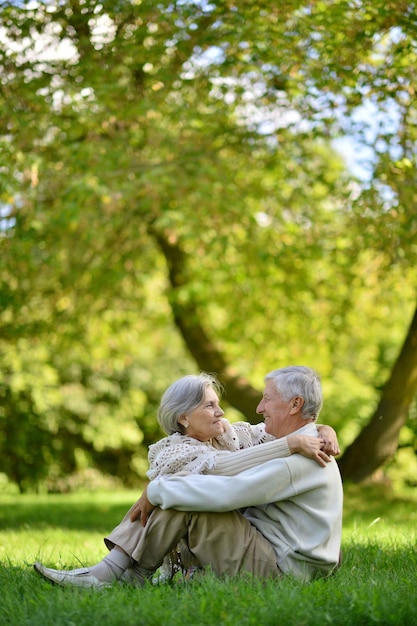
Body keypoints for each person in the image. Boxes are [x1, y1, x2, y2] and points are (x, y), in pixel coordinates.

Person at [34, 367, 342, 587]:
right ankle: (117, 574)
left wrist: (155, 491)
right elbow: (233, 465)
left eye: (267, 399)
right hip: (285, 557)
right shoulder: (303, 444)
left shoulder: (301, 455)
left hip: (280, 569)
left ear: (294, 404)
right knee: (185, 491)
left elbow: (225, 493)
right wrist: (319, 430)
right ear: (183, 417)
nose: (259, 407)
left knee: (186, 498)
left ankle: (120, 575)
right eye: (210, 405)